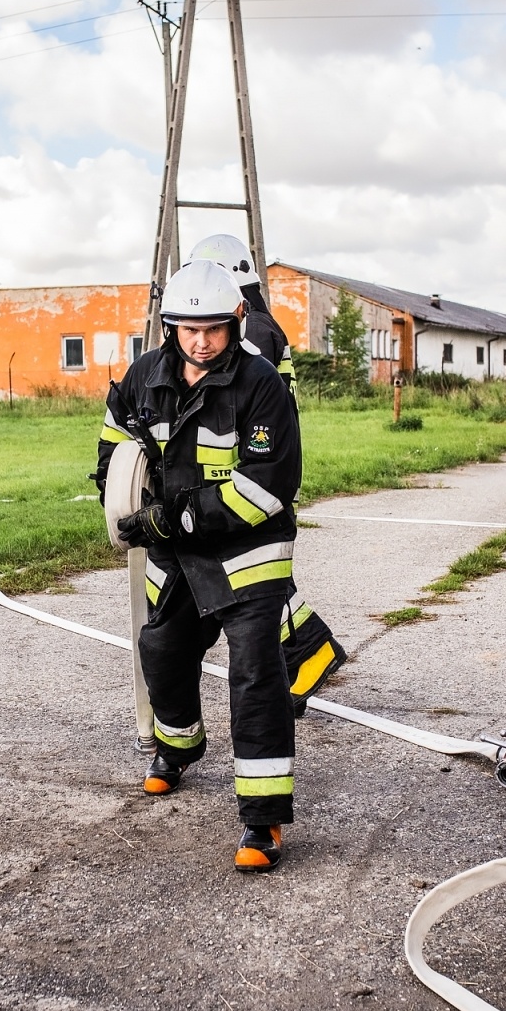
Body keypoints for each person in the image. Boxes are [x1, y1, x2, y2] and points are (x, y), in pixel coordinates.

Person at [99, 259, 302, 871]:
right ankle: (177, 747)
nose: (200, 341)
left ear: (237, 319)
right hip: (177, 553)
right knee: (160, 648)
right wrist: (119, 496)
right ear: (170, 326)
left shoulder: (261, 383)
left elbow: (269, 486)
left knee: (254, 674)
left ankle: (262, 820)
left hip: (250, 553)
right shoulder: (145, 375)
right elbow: (116, 444)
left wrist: (177, 517)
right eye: (188, 329)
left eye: (213, 328)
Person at [184, 234, 346, 714]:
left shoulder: (251, 326)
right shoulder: (260, 321)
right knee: (248, 576)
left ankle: (309, 650)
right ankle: (299, 657)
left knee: (253, 576)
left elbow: (228, 392)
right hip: (255, 464)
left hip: (251, 470)